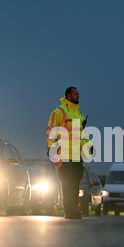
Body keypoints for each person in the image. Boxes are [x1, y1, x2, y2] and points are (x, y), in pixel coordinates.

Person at [46, 87, 92, 219]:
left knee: (75, 185)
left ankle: (74, 209)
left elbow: (83, 134)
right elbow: (51, 131)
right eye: (76, 94)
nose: (78, 96)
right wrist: (51, 149)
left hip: (77, 156)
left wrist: (89, 146)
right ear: (68, 95)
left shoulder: (79, 114)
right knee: (67, 184)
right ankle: (70, 211)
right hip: (64, 155)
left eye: (78, 94)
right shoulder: (59, 111)